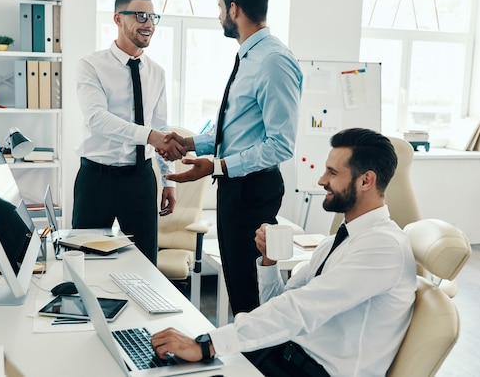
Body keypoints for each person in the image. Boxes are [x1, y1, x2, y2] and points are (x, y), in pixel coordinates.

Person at [151, 128, 417, 377]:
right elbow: (281, 302)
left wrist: (208, 345)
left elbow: (301, 308)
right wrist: (269, 263)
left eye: (333, 173)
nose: (322, 180)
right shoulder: (336, 241)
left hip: (313, 370)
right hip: (284, 354)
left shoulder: (382, 247)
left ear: (366, 180)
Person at [160, 0, 302, 315]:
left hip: (253, 190)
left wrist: (218, 166)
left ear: (234, 9)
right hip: (236, 188)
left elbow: (281, 145)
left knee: (251, 293)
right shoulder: (249, 56)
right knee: (239, 286)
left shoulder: (273, 61)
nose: (219, 14)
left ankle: (259, 364)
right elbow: (236, 133)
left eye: (220, 6)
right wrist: (190, 143)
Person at [72, 0, 185, 265]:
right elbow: (97, 119)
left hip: (140, 179)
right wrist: (151, 136)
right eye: (140, 15)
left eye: (152, 17)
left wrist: (167, 178)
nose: (148, 24)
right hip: (96, 179)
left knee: (145, 262)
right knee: (84, 260)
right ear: (118, 19)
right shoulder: (91, 65)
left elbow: (160, 125)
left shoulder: (156, 72)